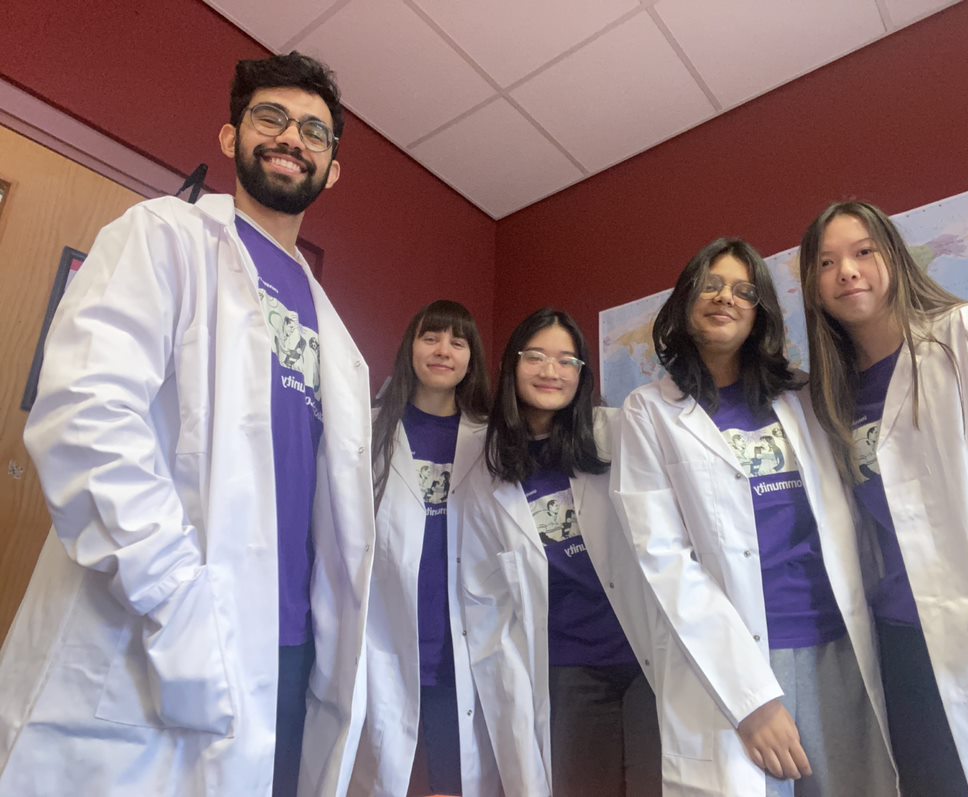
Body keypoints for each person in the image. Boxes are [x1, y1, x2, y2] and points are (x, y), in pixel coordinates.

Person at [0, 53, 375, 797]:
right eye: (270, 117)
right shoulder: (162, 235)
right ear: (231, 135)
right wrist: (176, 595)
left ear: (332, 170)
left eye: (314, 130)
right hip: (156, 619)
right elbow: (87, 412)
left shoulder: (340, 340)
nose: (291, 137)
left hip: (290, 647)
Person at [611, 239, 896, 796]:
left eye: (744, 290)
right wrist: (753, 700)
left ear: (760, 311)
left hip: (836, 641)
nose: (726, 298)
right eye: (711, 285)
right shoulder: (649, 411)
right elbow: (665, 561)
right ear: (685, 301)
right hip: (732, 663)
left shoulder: (803, 397)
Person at [799, 200, 968, 797]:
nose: (848, 271)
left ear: (893, 255)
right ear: (813, 289)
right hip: (901, 648)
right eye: (827, 262)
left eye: (864, 251)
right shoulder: (829, 401)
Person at [461, 309, 661, 797]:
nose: (551, 371)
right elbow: (486, 593)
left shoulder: (616, 435)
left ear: (582, 375)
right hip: (566, 670)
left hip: (644, 656)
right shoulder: (486, 471)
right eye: (537, 357)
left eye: (566, 360)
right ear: (512, 365)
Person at [349, 300, 501, 797]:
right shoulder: (367, 429)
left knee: (453, 782)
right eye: (431, 337)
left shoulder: (491, 438)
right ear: (410, 347)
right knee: (371, 776)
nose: (443, 350)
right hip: (384, 638)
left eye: (458, 342)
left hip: (461, 645)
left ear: (471, 358)